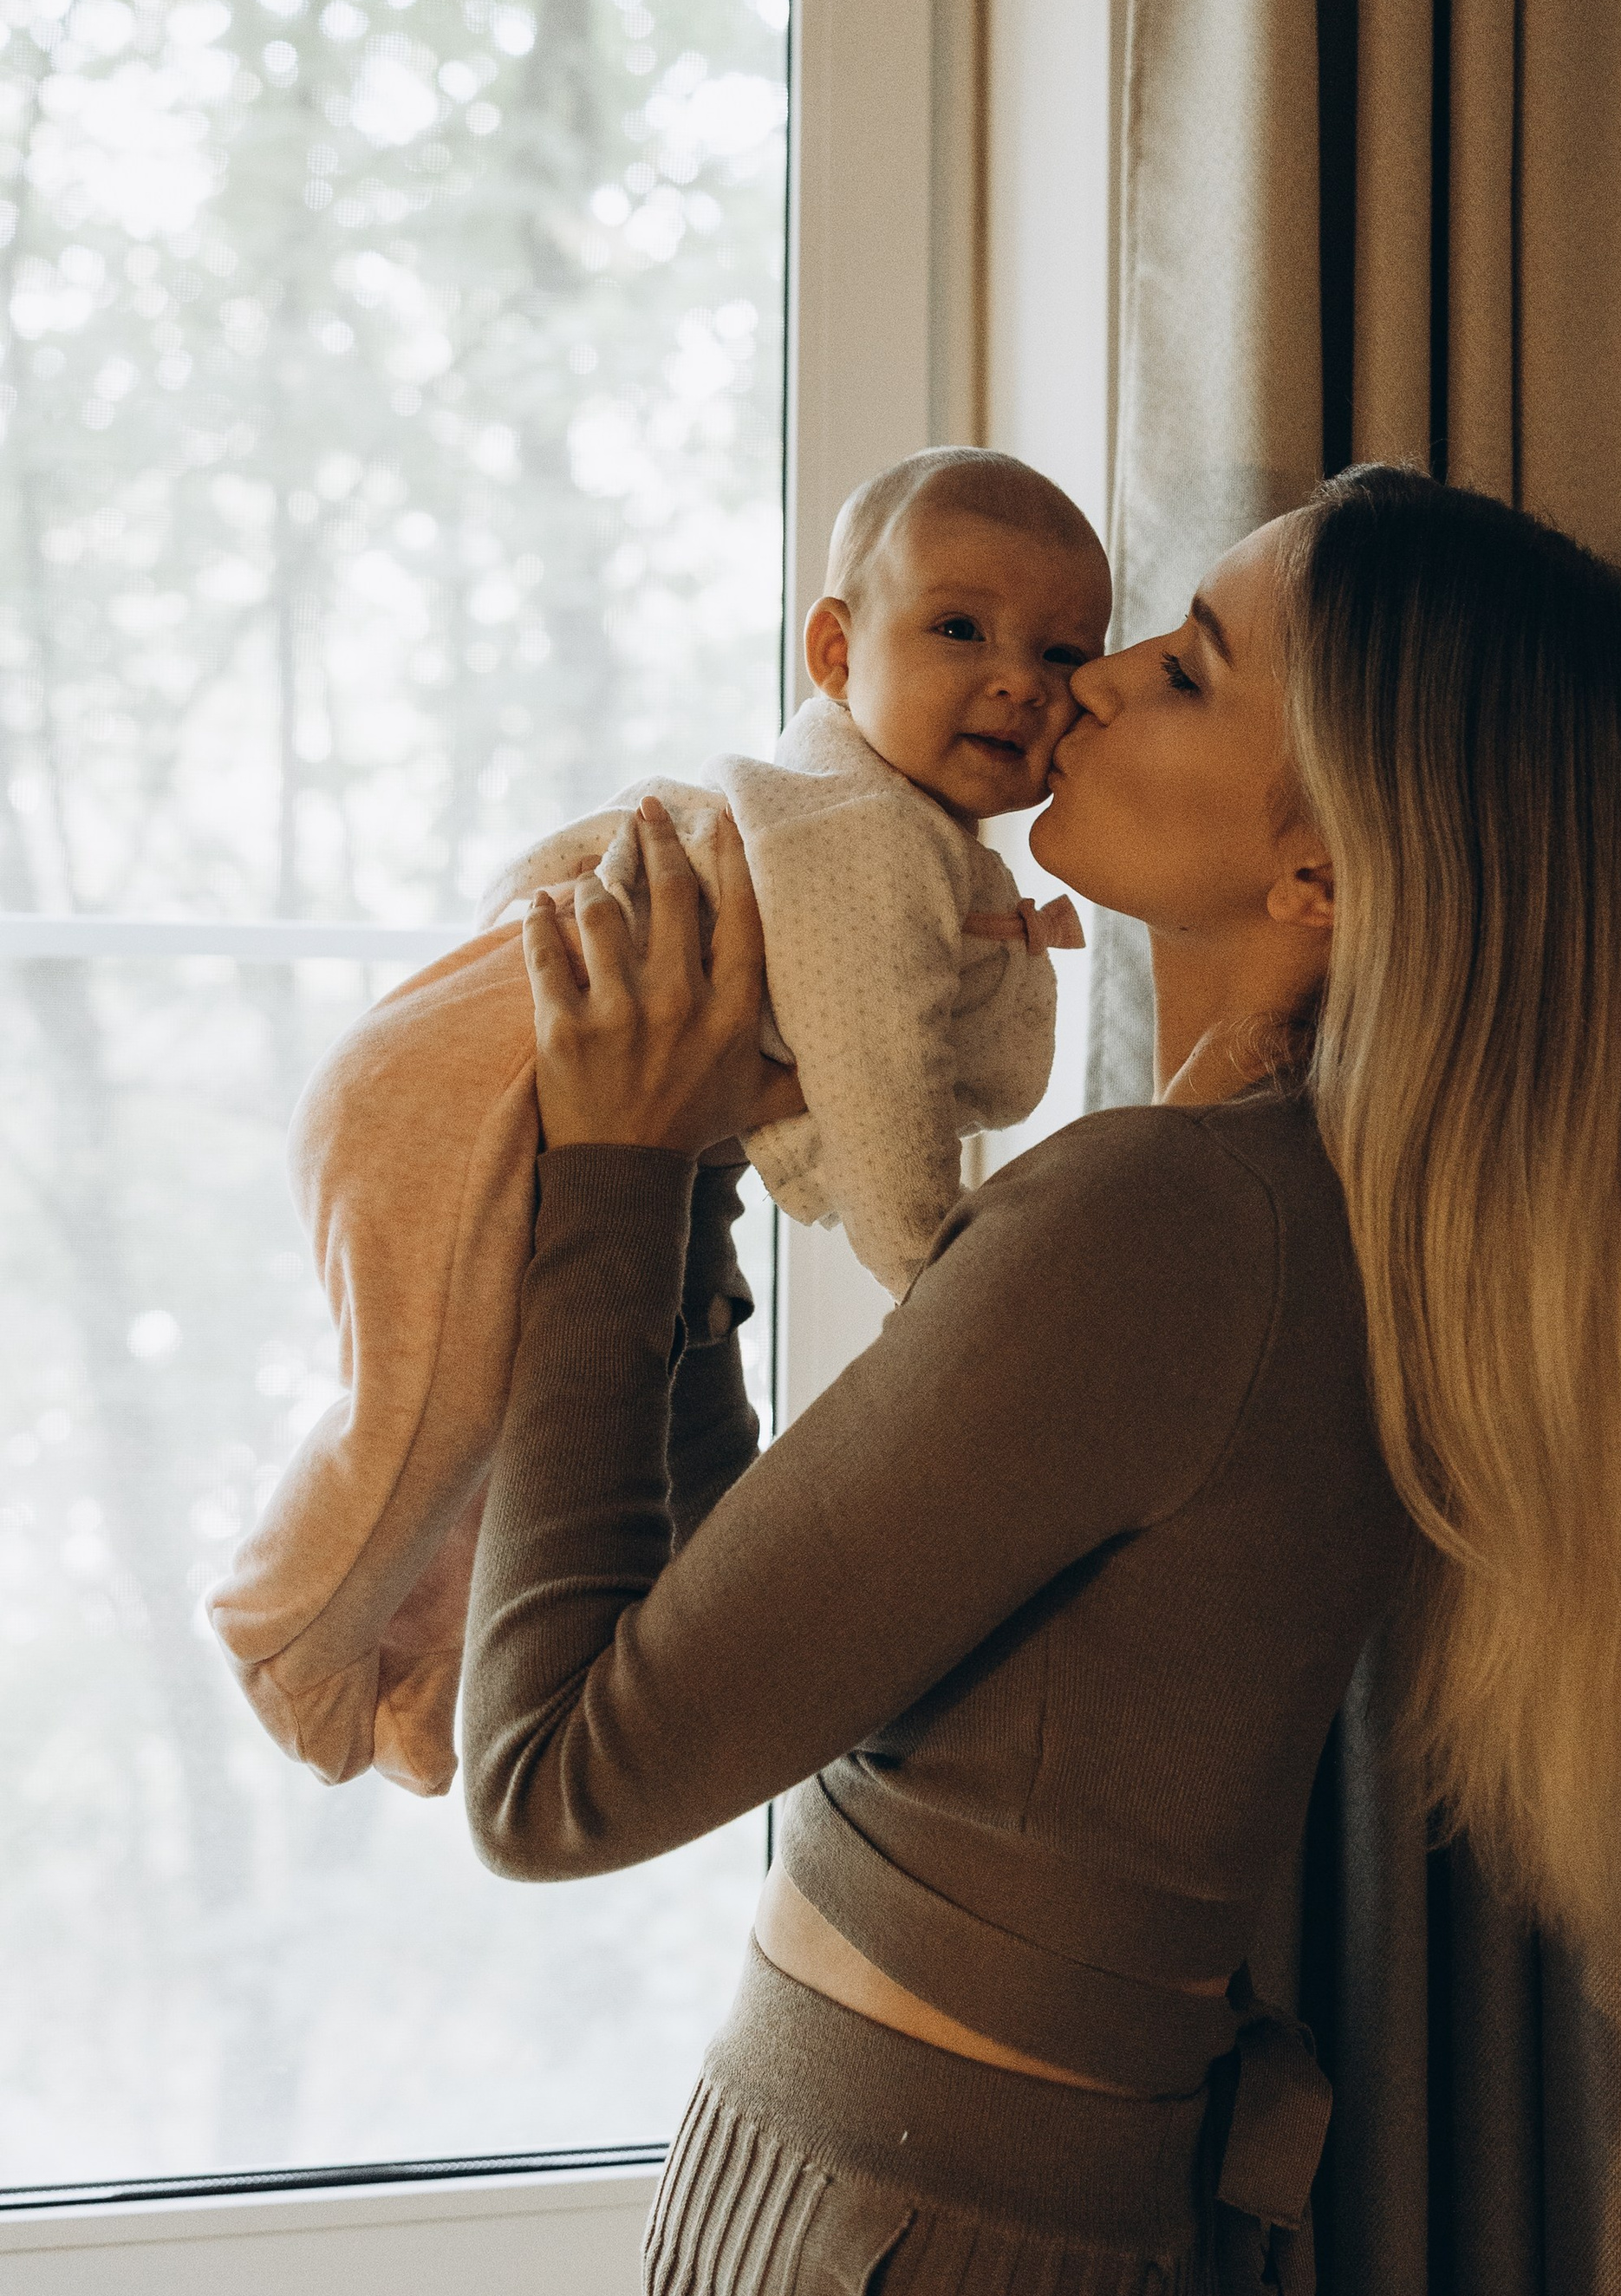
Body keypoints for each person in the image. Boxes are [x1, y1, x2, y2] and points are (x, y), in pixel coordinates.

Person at [407, 465, 1621, 2296]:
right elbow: (769, 1650)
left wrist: (608, 1172)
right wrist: (700, 1178)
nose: (1086, 681)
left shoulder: (1160, 1227)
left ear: (1320, 871)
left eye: (1189, 663)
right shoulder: (1303, 1226)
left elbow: (560, 1773)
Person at [208, 447, 1105, 1803]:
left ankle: (415, 1679)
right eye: (962, 629)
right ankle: (280, 1636)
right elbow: (872, 1067)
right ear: (833, 651)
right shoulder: (861, 832)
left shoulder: (890, 830)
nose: (1018, 680)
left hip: (484, 1081)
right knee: (428, 1410)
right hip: (457, 1096)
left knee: (508, 1411)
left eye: (1064, 654)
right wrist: (929, 1257)